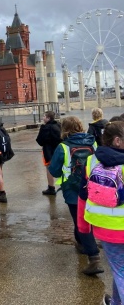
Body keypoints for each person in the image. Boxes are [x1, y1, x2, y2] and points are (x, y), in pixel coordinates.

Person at [49, 116, 102, 276]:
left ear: (64, 129)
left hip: (73, 190)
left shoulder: (63, 147)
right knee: (85, 219)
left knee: (81, 222)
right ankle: (81, 243)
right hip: (92, 187)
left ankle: (93, 256)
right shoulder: (92, 143)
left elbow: (54, 171)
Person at [78, 121, 124, 305]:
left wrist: (83, 227)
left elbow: (83, 196)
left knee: (120, 270)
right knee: (120, 271)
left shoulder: (92, 161)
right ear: (117, 140)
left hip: (106, 229)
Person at [36, 111, 62, 195]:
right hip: (59, 150)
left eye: (44, 116)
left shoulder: (45, 128)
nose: (43, 118)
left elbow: (40, 141)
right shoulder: (58, 125)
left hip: (48, 151)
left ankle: (51, 187)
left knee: (49, 169)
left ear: (48, 118)